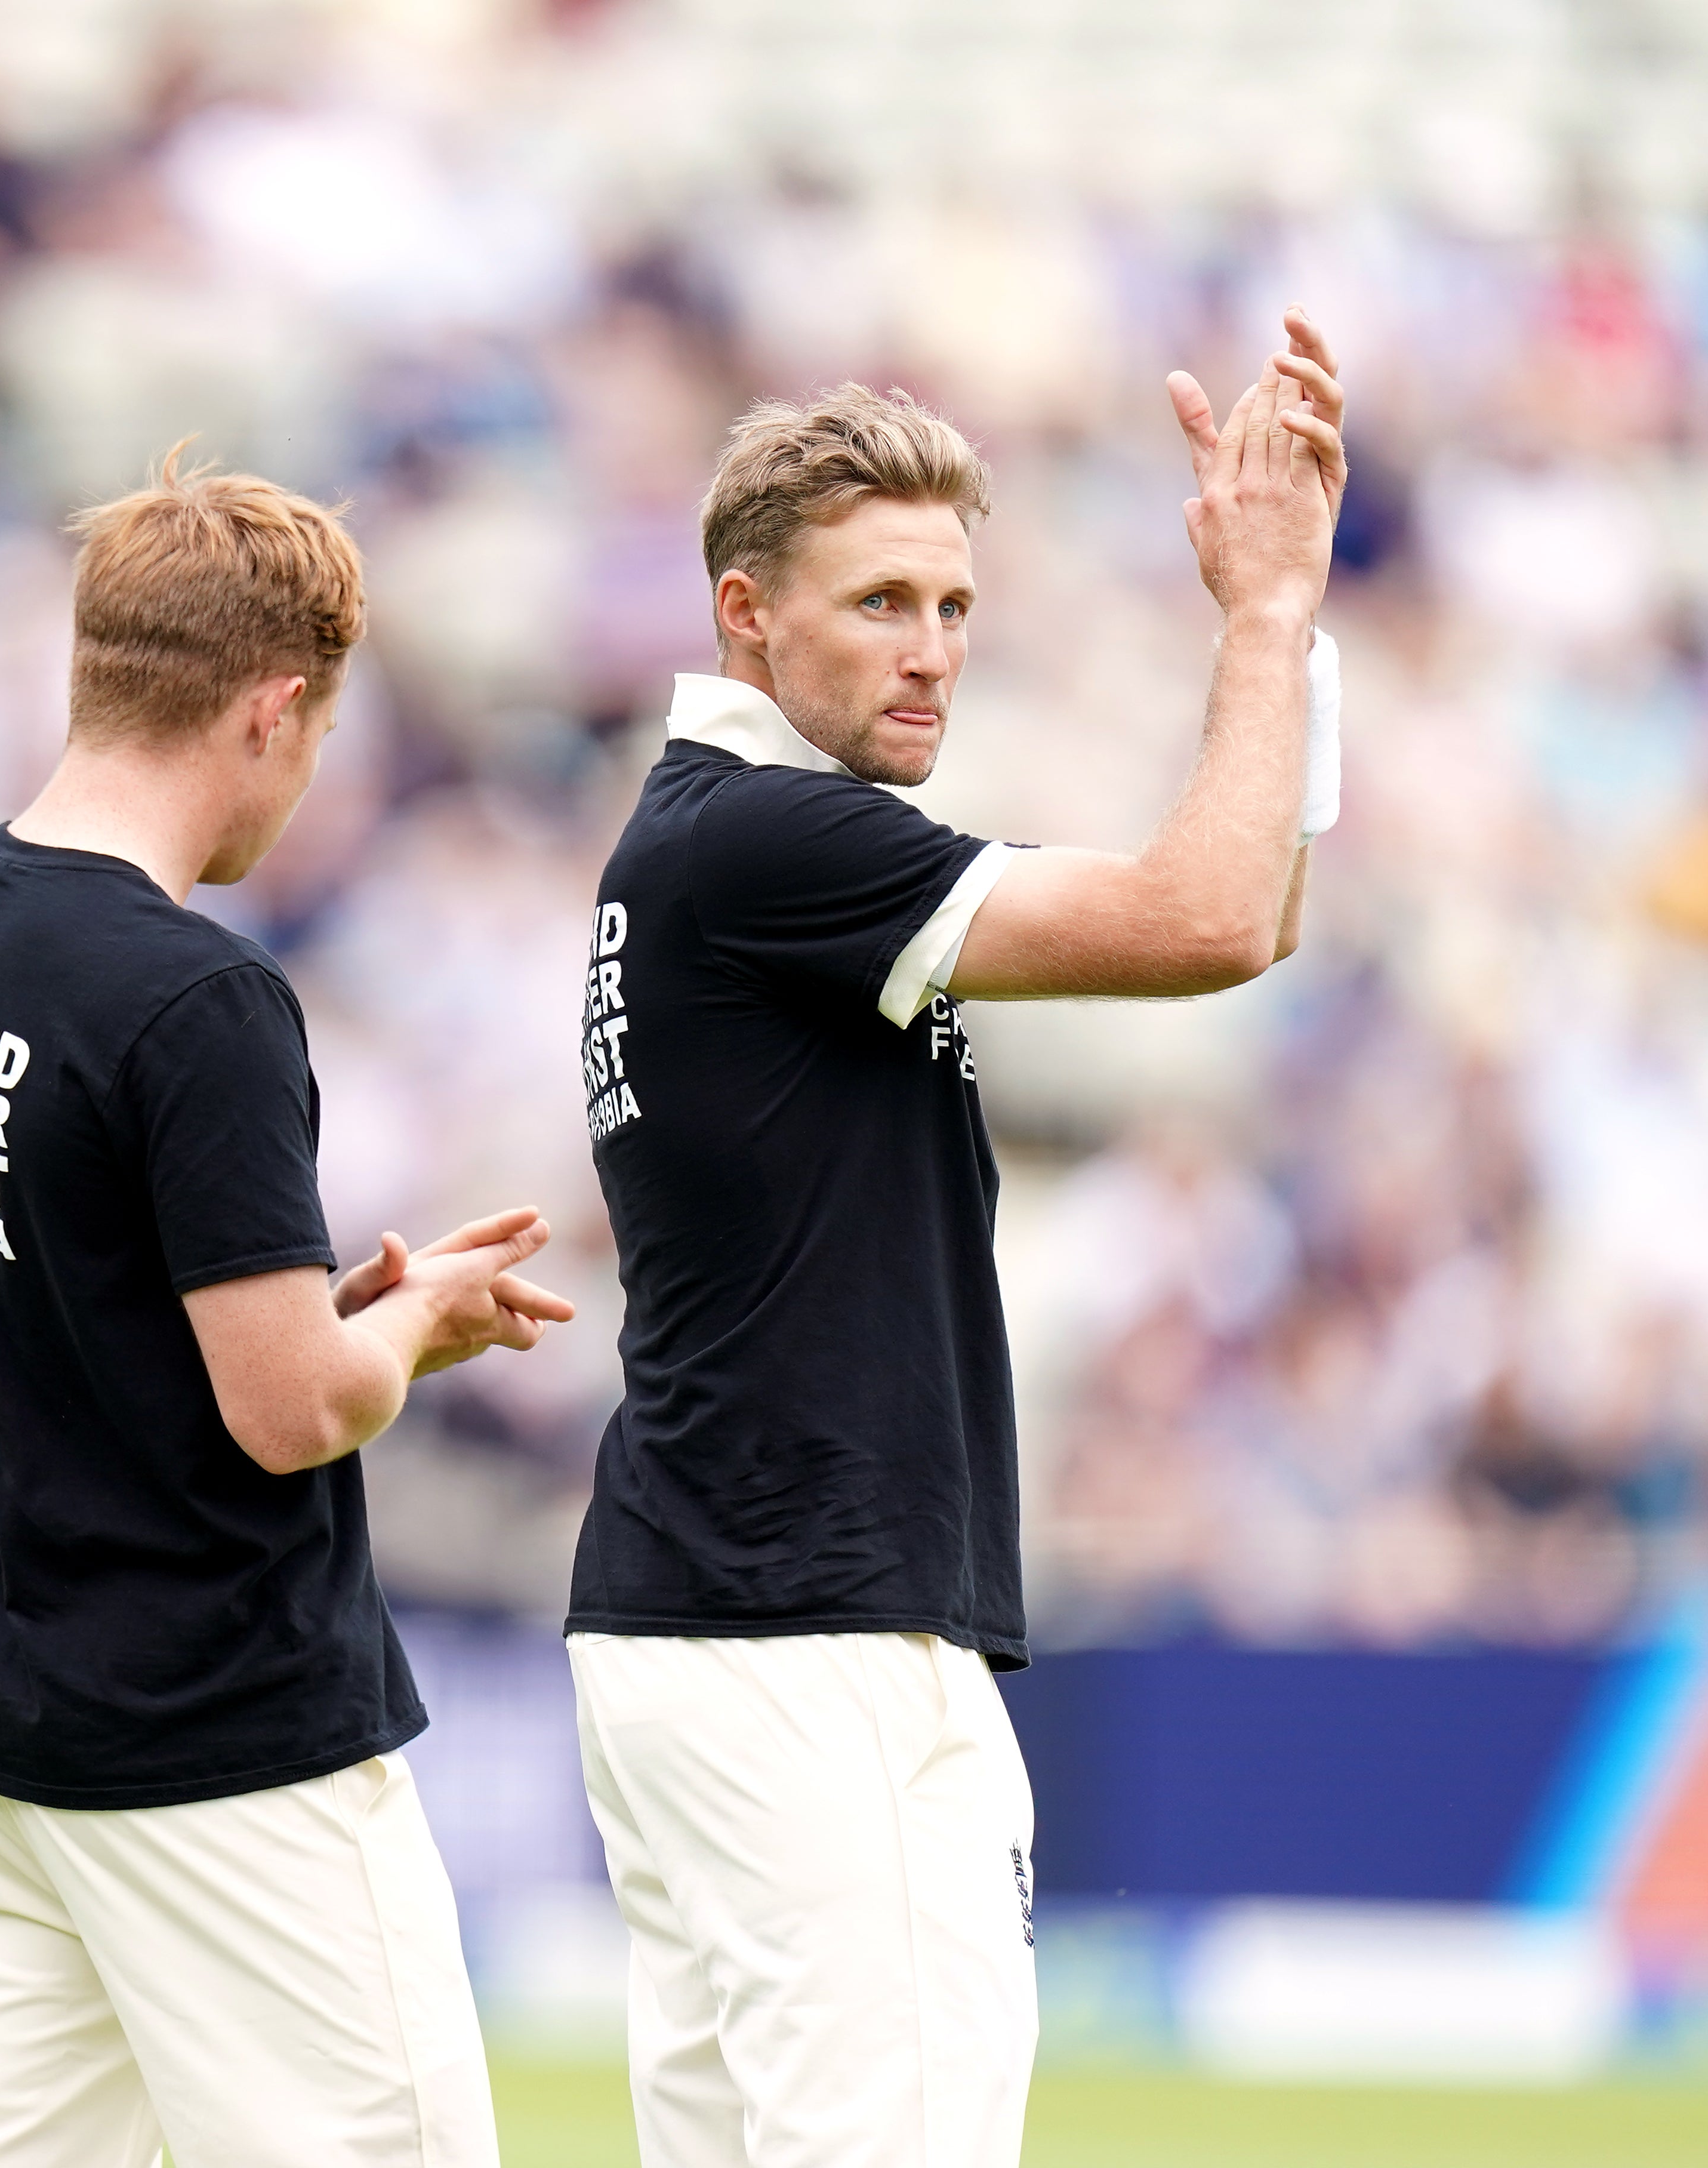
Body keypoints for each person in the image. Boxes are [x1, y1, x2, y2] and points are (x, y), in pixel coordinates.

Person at [563, 315, 1349, 2168]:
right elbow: (1205, 923)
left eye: (952, 604)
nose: (930, 652)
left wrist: (1289, 627)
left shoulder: (713, 845)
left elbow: (1255, 915)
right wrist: (1254, 617)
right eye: (879, 603)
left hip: (710, 1616)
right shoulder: (771, 843)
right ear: (744, 615)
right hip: (810, 1625)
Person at [0, 449, 578, 2168]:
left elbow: (70, 1307)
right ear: (270, 710)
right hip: (216, 1738)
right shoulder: (196, 997)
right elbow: (290, 1409)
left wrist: (341, 1306)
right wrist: (409, 1328)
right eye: (322, 739)